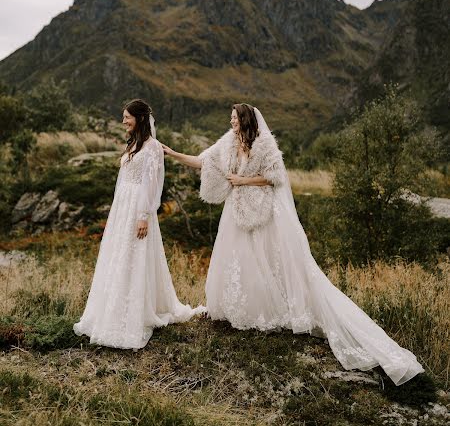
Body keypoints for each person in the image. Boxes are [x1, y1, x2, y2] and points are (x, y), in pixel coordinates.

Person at [162, 103, 424, 385]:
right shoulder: (226, 142)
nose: (231, 121)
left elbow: (275, 177)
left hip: (263, 212)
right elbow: (203, 160)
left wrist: (243, 180)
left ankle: (273, 309)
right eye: (231, 118)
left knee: (264, 259)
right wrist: (172, 153)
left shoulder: (265, 144)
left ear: (246, 120)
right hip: (236, 212)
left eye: (235, 117)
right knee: (237, 260)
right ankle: (241, 308)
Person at [74, 99, 203, 349]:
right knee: (118, 255)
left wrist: (143, 214)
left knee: (135, 255)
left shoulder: (153, 147)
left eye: (127, 117)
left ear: (140, 118)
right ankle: (112, 310)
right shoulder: (133, 144)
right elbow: (124, 180)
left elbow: (152, 183)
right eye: (123, 117)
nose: (123, 121)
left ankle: (133, 314)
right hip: (123, 207)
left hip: (138, 208)